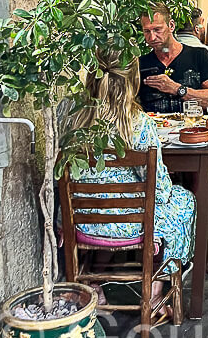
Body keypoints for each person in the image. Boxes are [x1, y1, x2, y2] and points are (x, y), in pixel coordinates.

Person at [69, 50, 196, 305]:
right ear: (133, 80)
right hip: (130, 225)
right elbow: (159, 189)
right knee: (185, 202)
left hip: (81, 222)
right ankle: (156, 289)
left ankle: (94, 282)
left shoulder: (71, 118)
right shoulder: (138, 124)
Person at [139, 3, 208, 113]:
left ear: (171, 26)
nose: (152, 37)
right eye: (147, 31)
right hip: (153, 128)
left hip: (193, 127)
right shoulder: (141, 64)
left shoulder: (200, 56)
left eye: (157, 29)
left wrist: (177, 89)